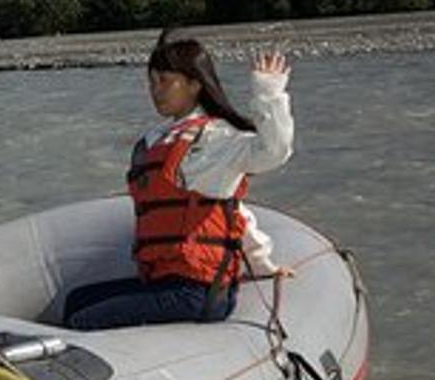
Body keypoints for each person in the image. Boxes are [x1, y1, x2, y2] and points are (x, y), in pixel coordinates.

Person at [61, 35, 293, 331]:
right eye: (152, 82)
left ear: (195, 84)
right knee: (76, 301)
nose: (155, 91)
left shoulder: (215, 139)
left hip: (197, 291)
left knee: (85, 320)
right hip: (164, 282)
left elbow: (272, 153)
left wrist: (269, 94)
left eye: (165, 81)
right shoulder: (157, 139)